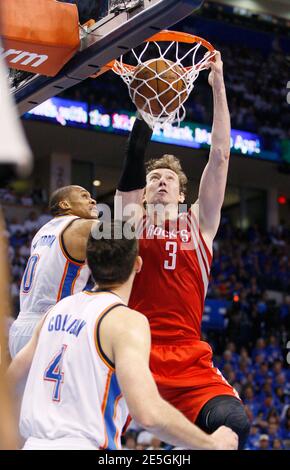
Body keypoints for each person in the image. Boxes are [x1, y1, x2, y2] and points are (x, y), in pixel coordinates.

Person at [115, 51, 250, 449]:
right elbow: (132, 159)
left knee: (234, 423)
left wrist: (219, 87)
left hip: (189, 356)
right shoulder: (130, 220)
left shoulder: (201, 223)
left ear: (181, 191)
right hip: (133, 350)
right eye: (154, 177)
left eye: (168, 179)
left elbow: (221, 156)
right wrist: (147, 111)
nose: (160, 182)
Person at [7, 221, 238, 450]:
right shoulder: (126, 321)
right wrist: (211, 443)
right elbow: (147, 413)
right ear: (138, 264)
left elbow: (10, 382)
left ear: (87, 263)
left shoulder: (54, 311)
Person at [8, 185, 98, 358]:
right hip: (52, 325)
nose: (93, 200)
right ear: (65, 205)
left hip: (21, 325)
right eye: (84, 196)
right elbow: (126, 236)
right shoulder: (84, 226)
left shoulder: (42, 231)